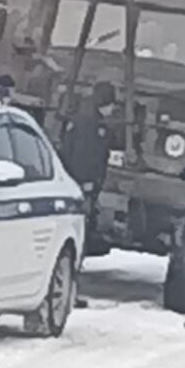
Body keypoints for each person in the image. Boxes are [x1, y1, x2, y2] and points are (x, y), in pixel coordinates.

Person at [58, 82, 117, 309]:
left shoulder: (80, 119)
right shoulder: (92, 127)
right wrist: (89, 185)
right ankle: (69, 292)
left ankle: (68, 291)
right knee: (77, 242)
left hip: (77, 185)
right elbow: (87, 159)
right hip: (83, 188)